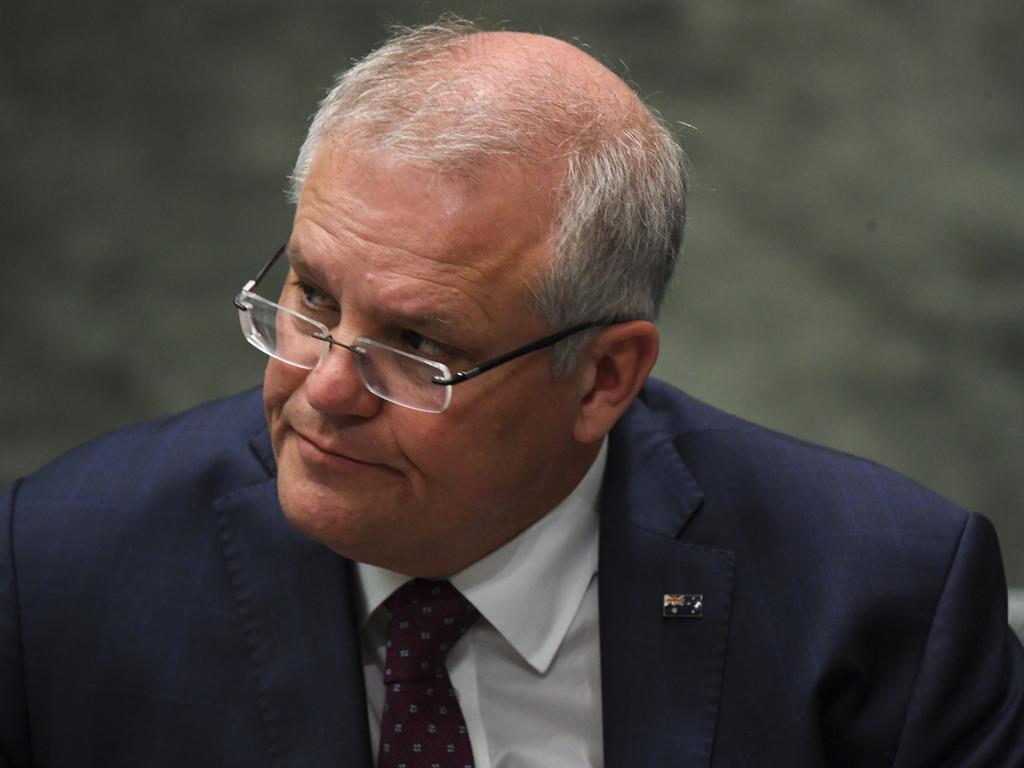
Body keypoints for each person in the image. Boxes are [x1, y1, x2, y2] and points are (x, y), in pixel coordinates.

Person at [1, 18, 1022, 768]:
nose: (323, 386)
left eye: (418, 344)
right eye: (312, 296)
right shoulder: (57, 571)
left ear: (604, 379)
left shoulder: (882, 603)